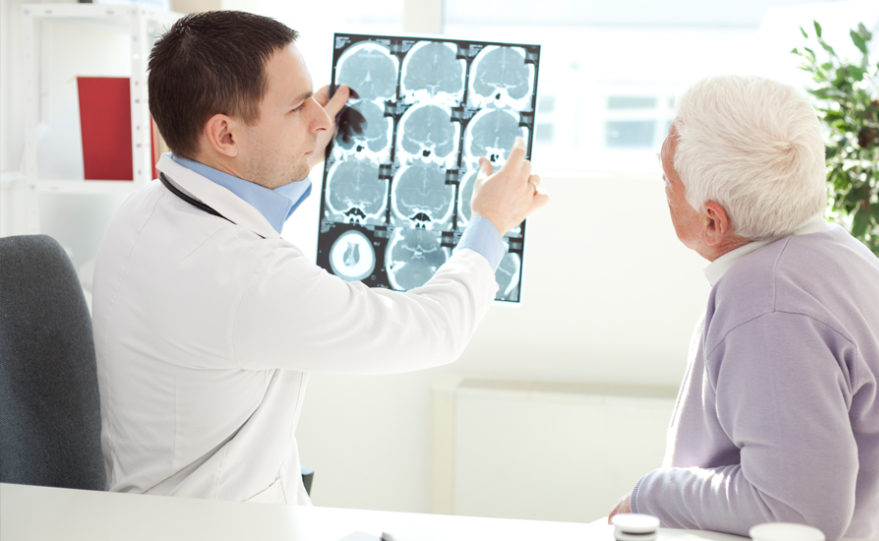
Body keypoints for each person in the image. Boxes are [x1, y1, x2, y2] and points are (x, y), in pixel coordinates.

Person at [92, 10, 547, 505]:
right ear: (226, 136)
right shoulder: (247, 279)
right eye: (297, 108)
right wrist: (491, 222)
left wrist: (299, 142)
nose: (322, 118)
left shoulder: (140, 212)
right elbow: (436, 330)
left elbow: (241, 226)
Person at [607, 75, 879, 541]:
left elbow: (797, 510)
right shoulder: (844, 255)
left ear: (713, 221)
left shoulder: (769, 302)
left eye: (666, 179)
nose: (664, 186)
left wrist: (650, 496)